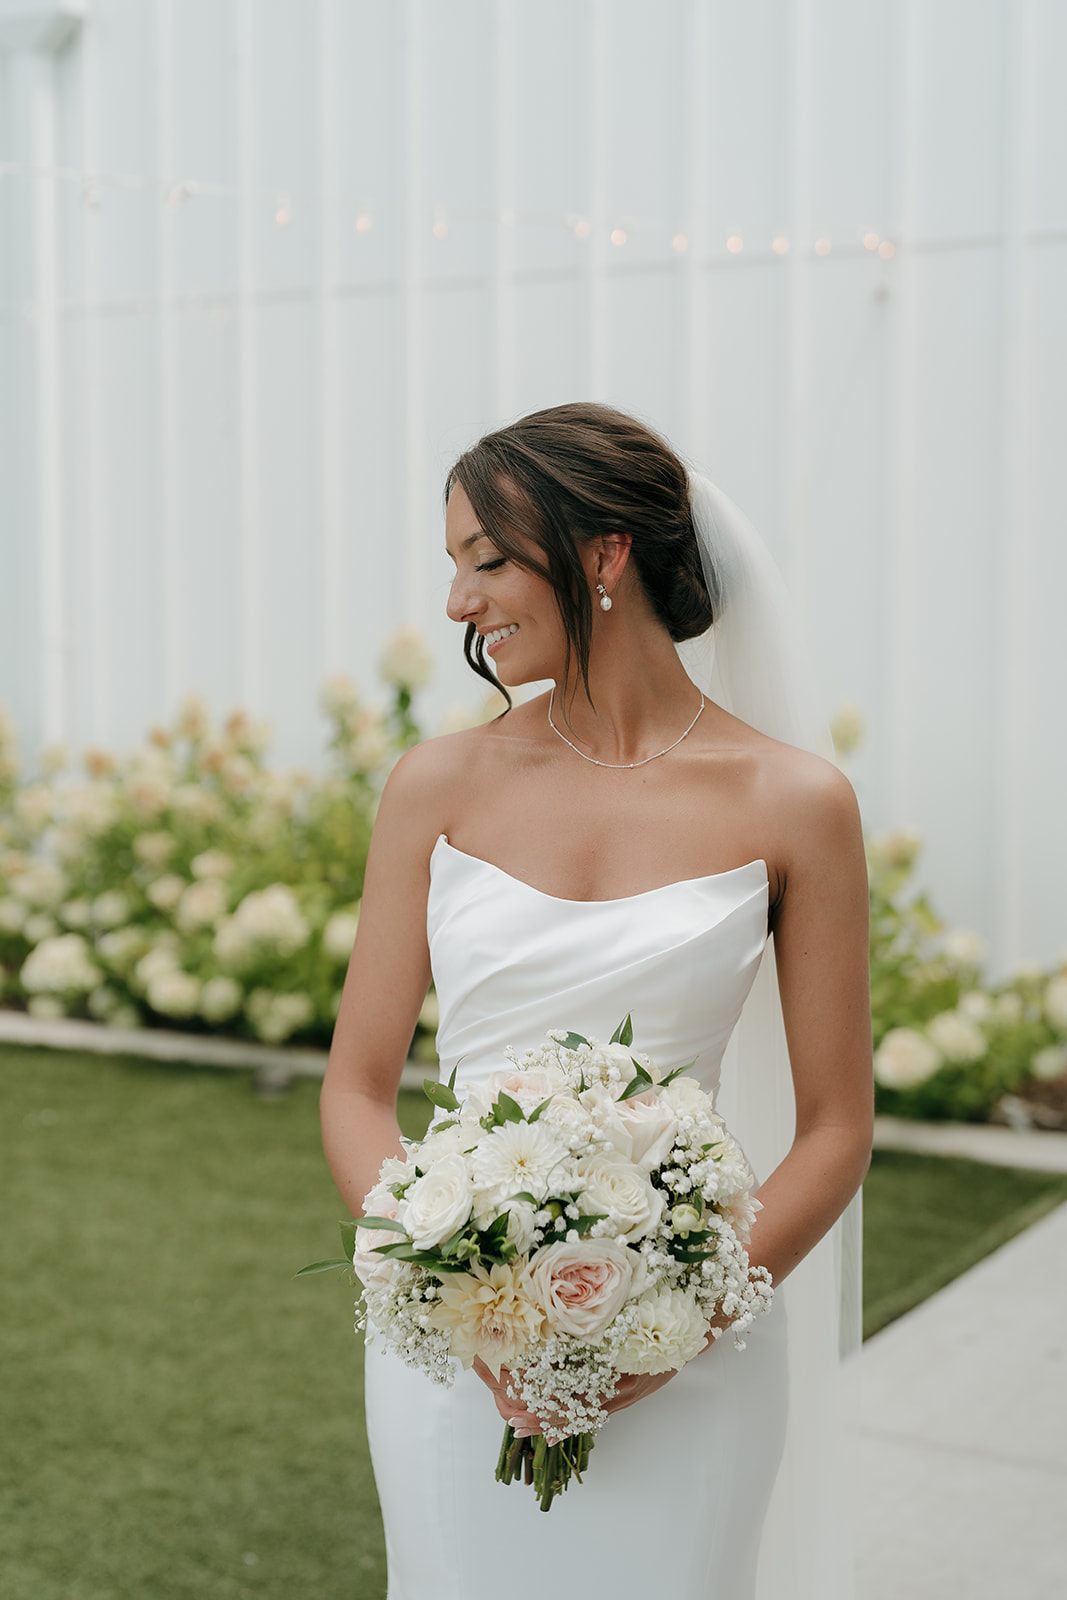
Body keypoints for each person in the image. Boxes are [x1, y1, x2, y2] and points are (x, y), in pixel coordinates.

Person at [320, 402, 873, 1599]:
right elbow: (358, 1086)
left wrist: (669, 1326)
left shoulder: (795, 802)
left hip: (699, 1348)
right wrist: (449, 1282)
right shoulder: (435, 785)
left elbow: (835, 1127)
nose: (458, 604)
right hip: (454, 1362)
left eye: (486, 560)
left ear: (603, 554)